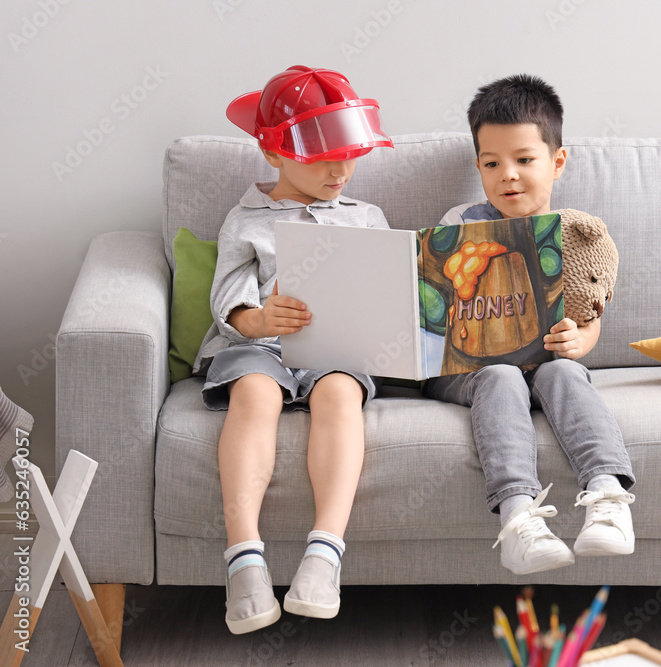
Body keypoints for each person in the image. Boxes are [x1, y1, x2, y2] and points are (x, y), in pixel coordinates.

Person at [193, 66, 393, 634]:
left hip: (335, 350)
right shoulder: (246, 219)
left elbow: (389, 292)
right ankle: (245, 562)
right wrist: (257, 318)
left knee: (339, 392)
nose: (340, 170)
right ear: (275, 154)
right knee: (254, 394)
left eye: (349, 155)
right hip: (258, 348)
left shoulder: (367, 218)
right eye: (323, 156)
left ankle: (323, 555)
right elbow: (227, 298)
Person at [425, 74, 636, 576]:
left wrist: (579, 340)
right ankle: (519, 519)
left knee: (563, 374)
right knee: (499, 375)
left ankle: (608, 497)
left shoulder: (571, 234)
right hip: (469, 369)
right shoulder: (462, 221)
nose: (508, 176)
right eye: (492, 164)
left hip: (541, 363)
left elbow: (589, 316)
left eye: (524, 160)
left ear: (556, 162)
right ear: (478, 166)